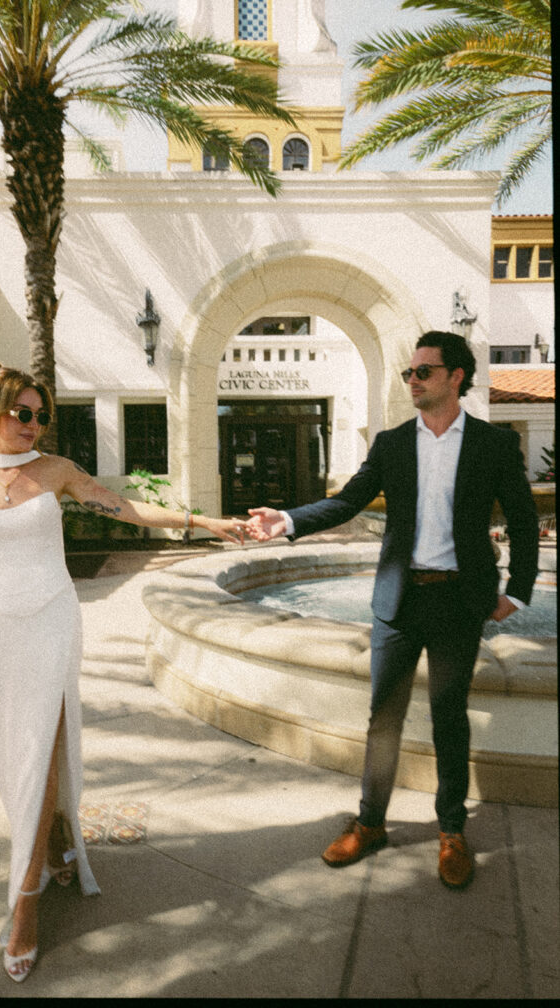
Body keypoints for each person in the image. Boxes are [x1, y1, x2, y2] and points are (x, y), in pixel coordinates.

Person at [0, 359, 245, 982]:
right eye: (22, 413)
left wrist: (207, 524)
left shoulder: (57, 472)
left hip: (51, 621)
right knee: (14, 756)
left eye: (41, 415)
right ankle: (55, 843)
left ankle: (24, 904)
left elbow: (128, 510)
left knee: (40, 751)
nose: (34, 424)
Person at [245, 331, 538, 890]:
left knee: (449, 716)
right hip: (399, 604)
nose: (413, 381)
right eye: (410, 373)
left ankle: (451, 829)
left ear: (456, 377)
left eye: (424, 372)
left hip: (459, 600)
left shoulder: (492, 445)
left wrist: (518, 591)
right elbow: (346, 501)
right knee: (384, 718)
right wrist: (287, 520)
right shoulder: (393, 443)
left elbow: (524, 522)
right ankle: (371, 822)